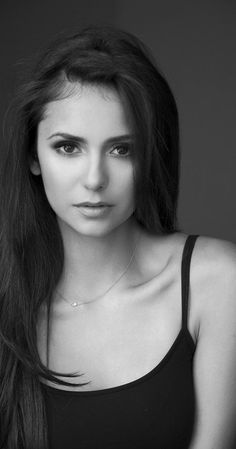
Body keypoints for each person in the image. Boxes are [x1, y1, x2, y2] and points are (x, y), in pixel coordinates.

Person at [0, 25, 236, 449]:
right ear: (33, 156)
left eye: (121, 149)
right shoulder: (10, 300)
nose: (95, 179)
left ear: (151, 156)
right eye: (68, 147)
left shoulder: (216, 282)